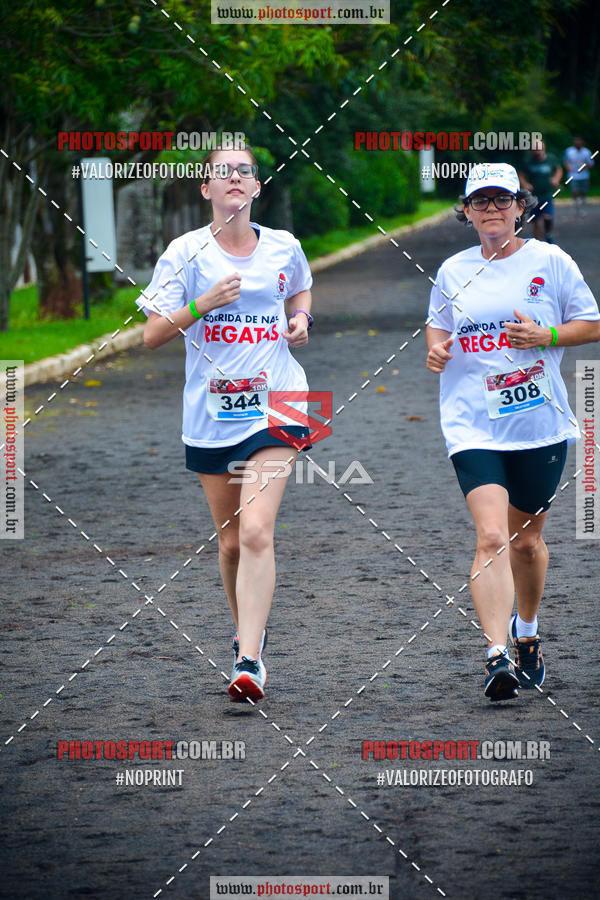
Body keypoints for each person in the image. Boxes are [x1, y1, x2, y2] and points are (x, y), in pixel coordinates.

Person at [137, 145, 314, 703]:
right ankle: (247, 634)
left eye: (244, 171)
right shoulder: (185, 253)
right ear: (206, 188)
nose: (234, 178)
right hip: (213, 411)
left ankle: (249, 660)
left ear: (256, 187)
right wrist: (204, 303)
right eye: (223, 171)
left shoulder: (284, 245)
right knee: (232, 542)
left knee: (258, 530)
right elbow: (151, 335)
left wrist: (301, 317)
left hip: (281, 399)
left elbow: (300, 287)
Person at [426, 162, 600, 702]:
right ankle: (496, 653)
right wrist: (436, 349)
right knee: (492, 537)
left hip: (538, 424)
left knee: (526, 542)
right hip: (472, 423)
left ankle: (527, 631)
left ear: (521, 207)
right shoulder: (453, 270)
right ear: (467, 211)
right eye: (480, 201)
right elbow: (438, 325)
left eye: (503, 199)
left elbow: (592, 324)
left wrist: (547, 335)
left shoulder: (551, 261)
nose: (492, 210)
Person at [519, 140, 562, 243]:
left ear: (544, 148)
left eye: (539, 148)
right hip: (533, 196)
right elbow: (521, 174)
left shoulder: (551, 159)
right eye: (535, 149)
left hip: (547, 194)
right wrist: (525, 184)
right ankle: (538, 242)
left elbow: (558, 169)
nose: (537, 151)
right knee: (536, 221)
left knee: (548, 217)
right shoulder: (528, 161)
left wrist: (556, 179)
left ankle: (548, 234)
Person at [564, 136, 595, 217]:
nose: (577, 142)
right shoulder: (569, 151)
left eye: (579, 141)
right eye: (576, 140)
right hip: (573, 175)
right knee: (575, 191)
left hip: (584, 176)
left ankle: (583, 208)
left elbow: (591, 164)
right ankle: (576, 207)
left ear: (582, 142)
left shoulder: (587, 152)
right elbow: (566, 161)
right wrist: (569, 168)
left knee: (583, 193)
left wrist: (584, 166)